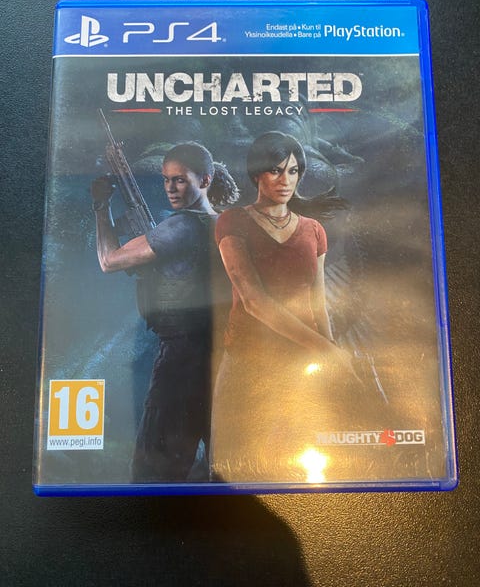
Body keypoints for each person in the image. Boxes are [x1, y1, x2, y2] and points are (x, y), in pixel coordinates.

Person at [210, 131, 358, 483]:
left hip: (298, 364)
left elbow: (317, 302)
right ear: (257, 174)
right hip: (247, 359)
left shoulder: (314, 230)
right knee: (232, 464)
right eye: (276, 170)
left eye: (293, 171)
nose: (285, 180)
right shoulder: (233, 221)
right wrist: (326, 349)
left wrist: (332, 352)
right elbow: (254, 301)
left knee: (292, 463)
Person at [91, 141, 238, 483]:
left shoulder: (181, 226)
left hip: (181, 362)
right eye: (166, 179)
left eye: (180, 180)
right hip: (223, 359)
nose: (170, 188)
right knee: (220, 471)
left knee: (153, 473)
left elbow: (108, 260)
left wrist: (100, 206)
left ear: (205, 180)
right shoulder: (223, 223)